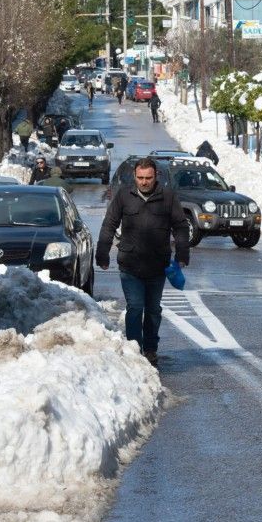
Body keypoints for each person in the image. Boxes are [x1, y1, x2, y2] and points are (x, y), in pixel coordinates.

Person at [96, 157, 189, 368]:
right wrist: (102, 253)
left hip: (157, 265)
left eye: (148, 178)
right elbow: (109, 223)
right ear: (134, 177)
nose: (144, 182)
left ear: (156, 176)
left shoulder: (167, 197)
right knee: (135, 307)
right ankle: (134, 348)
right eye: (140, 178)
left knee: (153, 310)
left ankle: (150, 349)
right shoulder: (124, 196)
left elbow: (181, 226)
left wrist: (182, 255)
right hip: (130, 263)